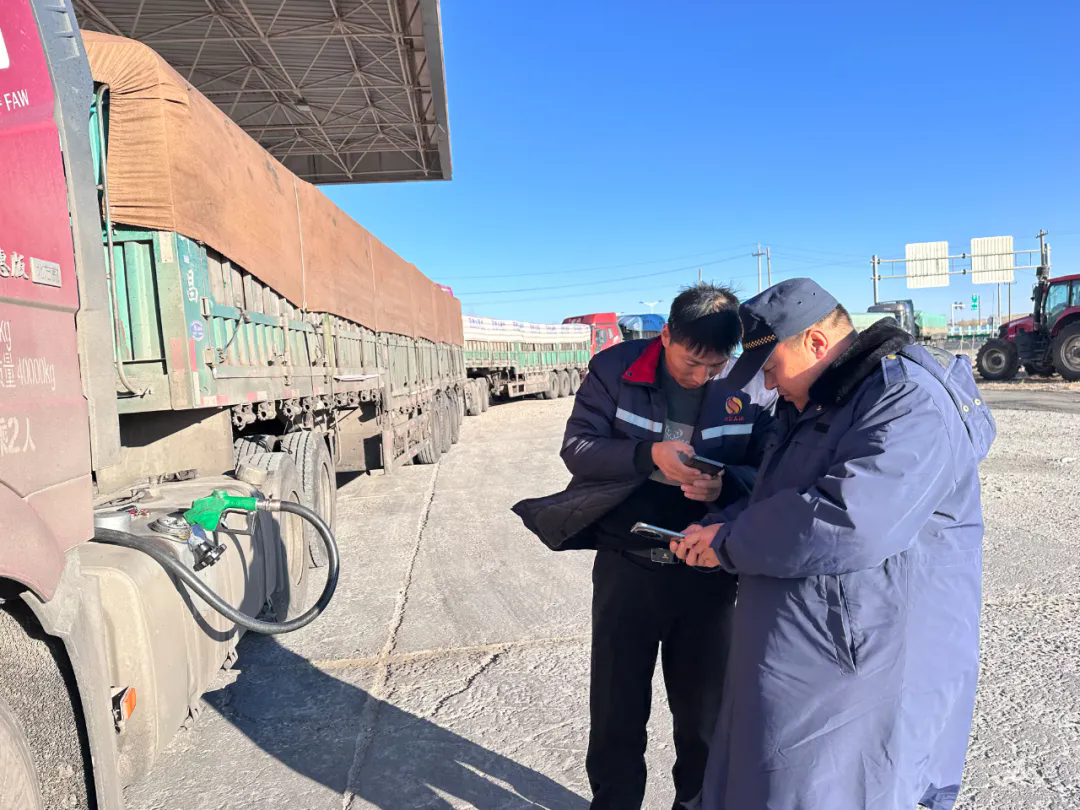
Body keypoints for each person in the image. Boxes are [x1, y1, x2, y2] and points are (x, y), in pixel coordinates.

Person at [672, 278, 995, 810]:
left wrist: (730, 541)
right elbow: (785, 494)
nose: (768, 385)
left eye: (771, 368)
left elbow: (851, 518)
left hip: (861, 655)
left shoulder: (905, 399)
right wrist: (722, 525)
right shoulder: (817, 400)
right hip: (808, 643)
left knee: (827, 789)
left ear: (817, 343)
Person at [512, 283, 777, 810]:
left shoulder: (751, 384)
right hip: (626, 567)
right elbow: (578, 447)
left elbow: (772, 467)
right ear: (667, 335)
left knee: (704, 719)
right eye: (691, 362)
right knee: (617, 713)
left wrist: (726, 485)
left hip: (707, 572)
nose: (701, 376)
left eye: (714, 365)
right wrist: (646, 454)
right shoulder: (616, 369)